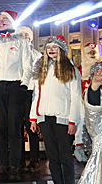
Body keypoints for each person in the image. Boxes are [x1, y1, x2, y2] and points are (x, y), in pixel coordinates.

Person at [0, 10, 32, 182]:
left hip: (14, 87)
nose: (1, 22)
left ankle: (15, 168)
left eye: (4, 19)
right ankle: (3, 167)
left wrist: (23, 86)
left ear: (12, 22)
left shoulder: (22, 43)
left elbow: (28, 65)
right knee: (0, 131)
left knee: (15, 131)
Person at [30, 35, 81, 184]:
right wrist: (33, 117)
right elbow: (36, 95)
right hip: (45, 119)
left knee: (65, 156)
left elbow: (76, 97)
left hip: (63, 118)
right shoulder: (42, 70)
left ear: (62, 50)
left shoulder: (71, 70)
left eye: (54, 47)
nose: (51, 50)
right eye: (48, 47)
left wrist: (73, 120)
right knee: (52, 157)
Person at [17, 26, 42, 173]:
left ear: (30, 38)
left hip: (30, 92)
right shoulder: (13, 53)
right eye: (21, 34)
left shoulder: (37, 55)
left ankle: (34, 159)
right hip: (16, 93)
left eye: (26, 35)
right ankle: (19, 159)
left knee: (31, 126)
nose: (24, 37)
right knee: (17, 127)